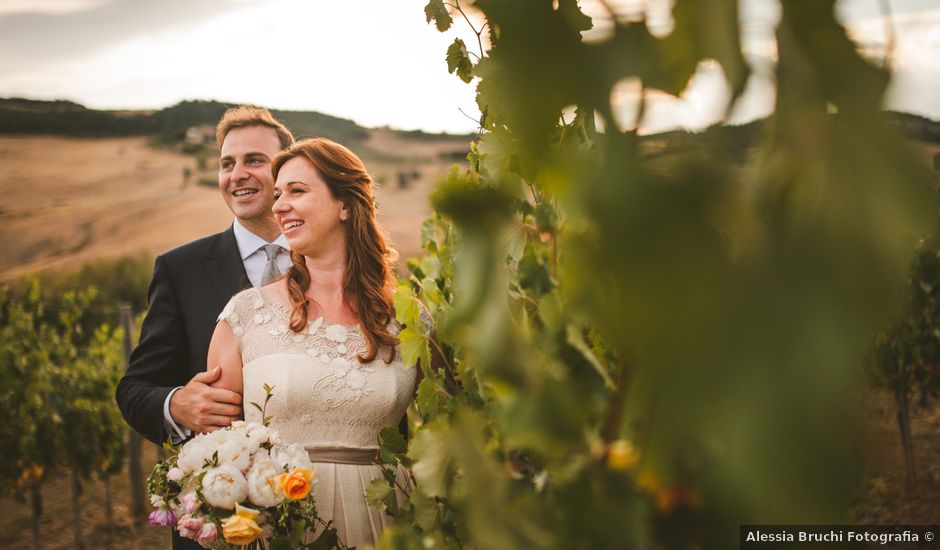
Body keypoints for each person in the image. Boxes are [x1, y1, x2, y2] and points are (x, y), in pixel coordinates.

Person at [207, 138, 419, 547]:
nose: (279, 205)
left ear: (345, 205)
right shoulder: (246, 316)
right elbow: (220, 450)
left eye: (297, 191)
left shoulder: (408, 319)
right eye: (279, 193)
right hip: (282, 526)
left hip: (387, 521)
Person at [115, 106, 294, 550]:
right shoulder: (180, 269)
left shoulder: (329, 263)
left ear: (287, 170)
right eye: (226, 163)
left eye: (254, 160)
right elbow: (134, 388)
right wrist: (177, 405)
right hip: (220, 523)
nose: (237, 174)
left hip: (323, 505)